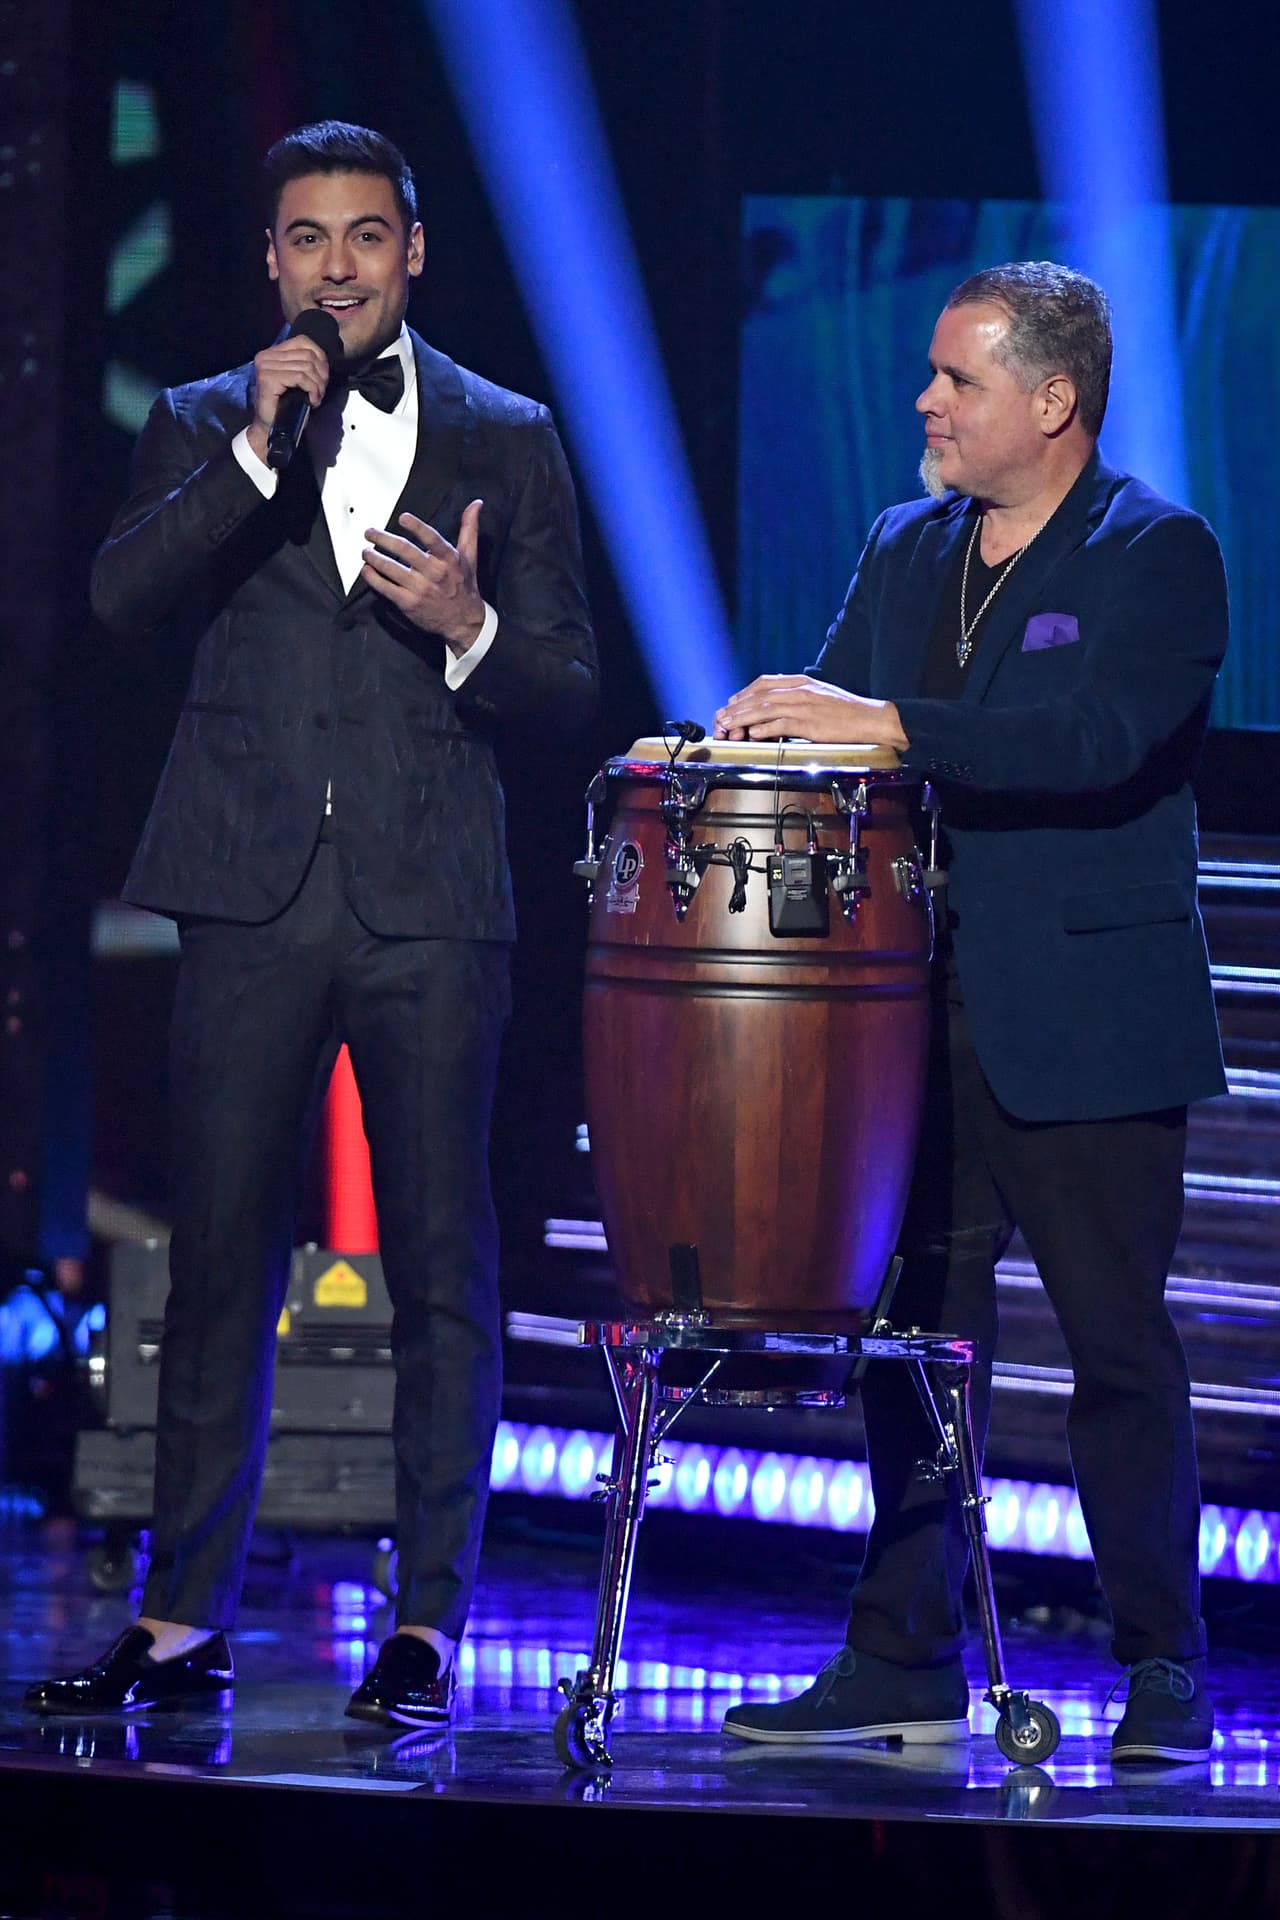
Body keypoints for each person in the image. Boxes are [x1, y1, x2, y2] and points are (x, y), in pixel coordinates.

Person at [25, 120, 595, 1729]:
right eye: (305, 238)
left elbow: (568, 686)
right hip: (246, 886)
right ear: (270, 261)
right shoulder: (212, 421)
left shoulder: (512, 431)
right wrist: (256, 463)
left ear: (414, 252)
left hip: (431, 898)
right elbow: (122, 602)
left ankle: (424, 1626)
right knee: (219, 1267)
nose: (335, 264)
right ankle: (182, 1620)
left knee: (439, 1265)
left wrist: (469, 625)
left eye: (364, 236)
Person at [715, 261, 1226, 1764]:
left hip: (1085, 1020)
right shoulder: (903, 544)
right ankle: (902, 1650)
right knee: (912, 1347)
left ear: (1052, 402)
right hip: (903, 1025)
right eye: (932, 377)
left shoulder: (1157, 552)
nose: (926, 401)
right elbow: (841, 719)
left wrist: (890, 727)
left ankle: (1165, 1665)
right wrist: (742, 736)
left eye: (959, 380)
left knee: (1117, 1352)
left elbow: (1097, 739)